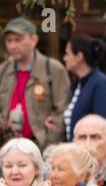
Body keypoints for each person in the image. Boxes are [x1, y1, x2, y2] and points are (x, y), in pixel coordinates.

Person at [1, 17, 70, 149]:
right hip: (7, 147)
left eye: (18, 40)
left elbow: (63, 111)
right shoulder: (3, 71)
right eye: (9, 41)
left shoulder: (53, 69)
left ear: (33, 40)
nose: (12, 46)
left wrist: (48, 144)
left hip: (41, 146)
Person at [62, 35, 106, 141]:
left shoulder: (102, 84)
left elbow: (102, 127)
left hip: (95, 153)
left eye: (67, 53)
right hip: (79, 153)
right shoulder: (78, 84)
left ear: (79, 56)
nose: (64, 58)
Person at [72, 115, 106, 186]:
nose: (87, 143)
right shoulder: (63, 177)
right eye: (82, 137)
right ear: (73, 143)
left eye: (94, 137)